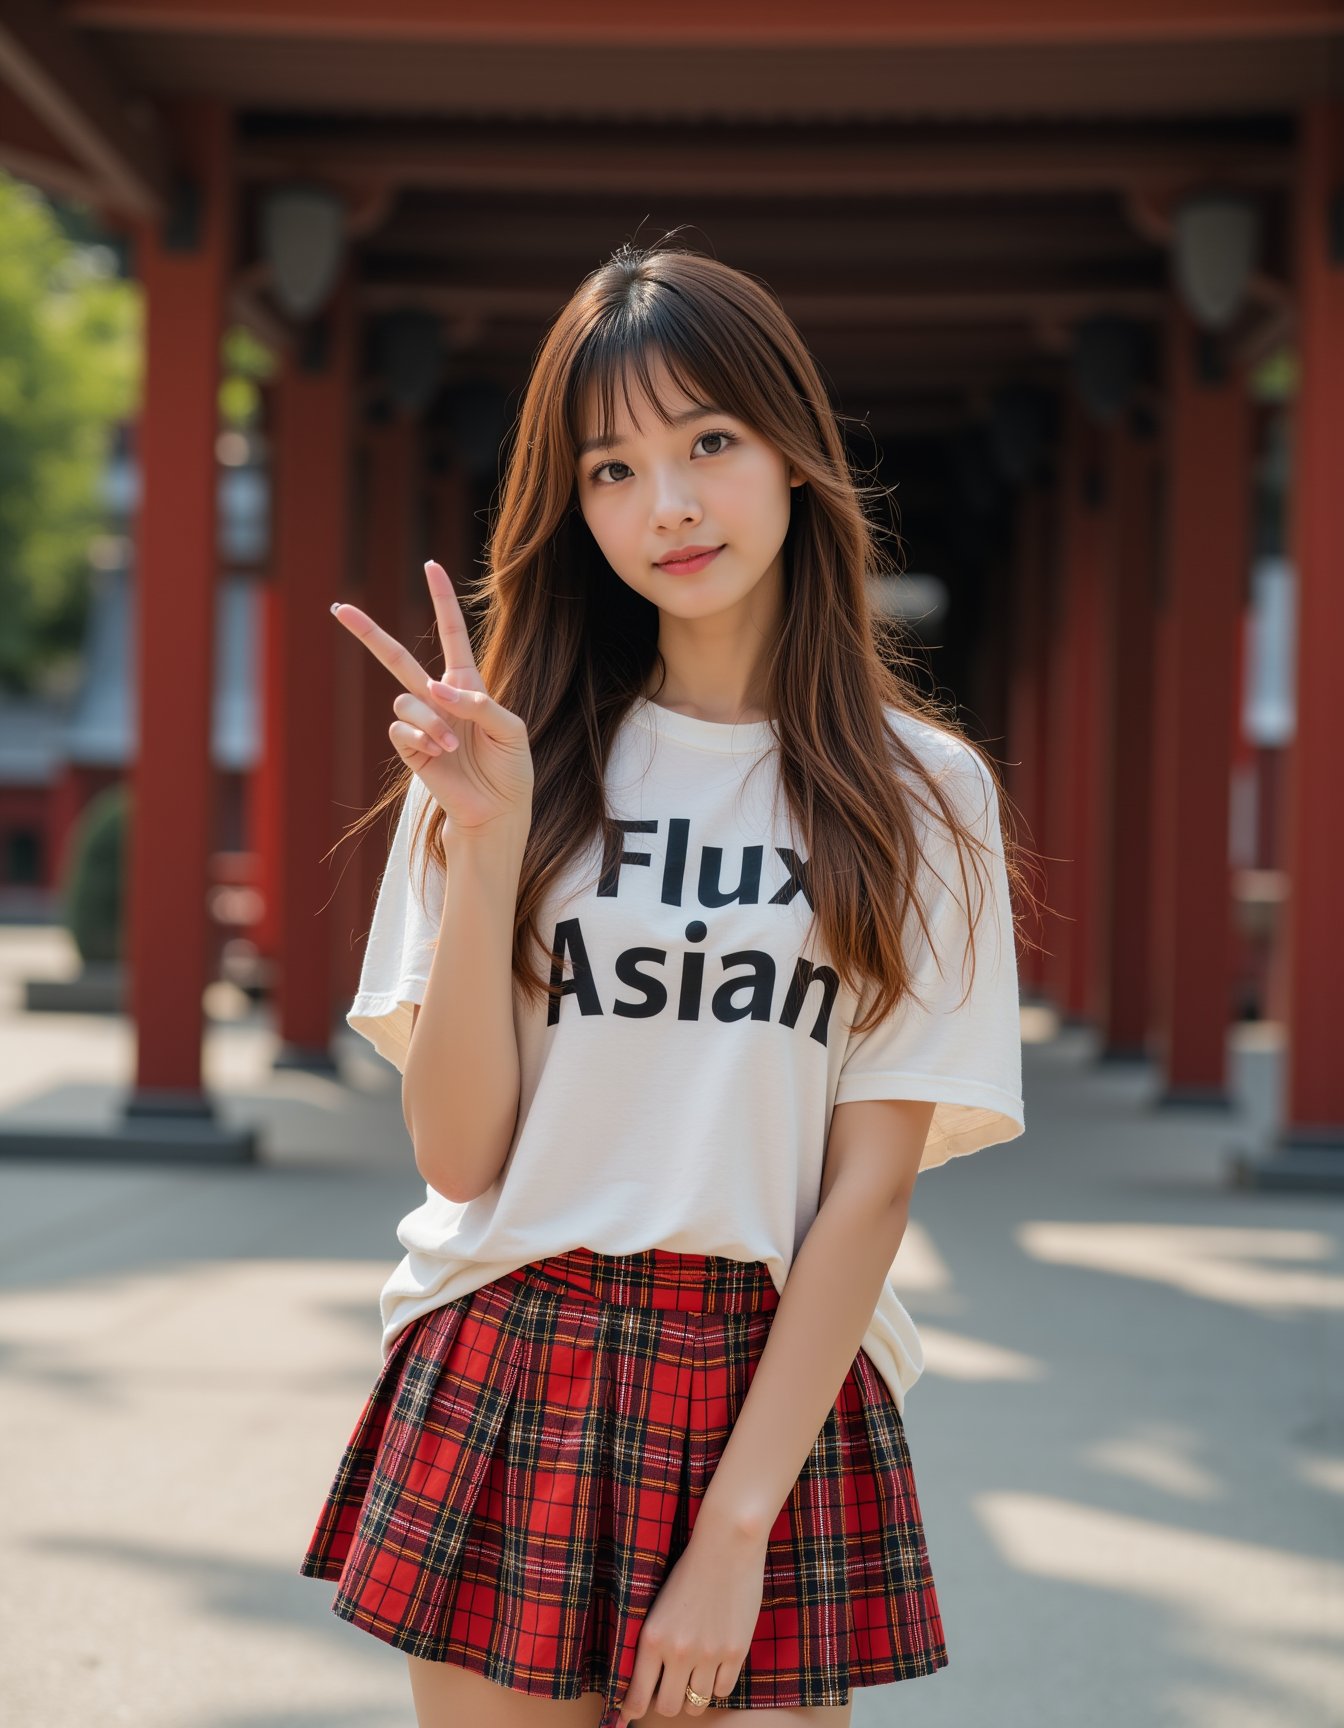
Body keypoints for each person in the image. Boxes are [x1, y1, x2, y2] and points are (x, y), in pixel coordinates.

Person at [300, 239, 1028, 1728]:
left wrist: (738, 1528)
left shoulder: (922, 794)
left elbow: (869, 1191)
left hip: (778, 1380)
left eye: (709, 442)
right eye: (611, 469)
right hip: (517, 1351)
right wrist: (488, 841)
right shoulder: (503, 765)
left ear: (795, 456)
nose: (670, 505)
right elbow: (458, 1158)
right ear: (571, 510)